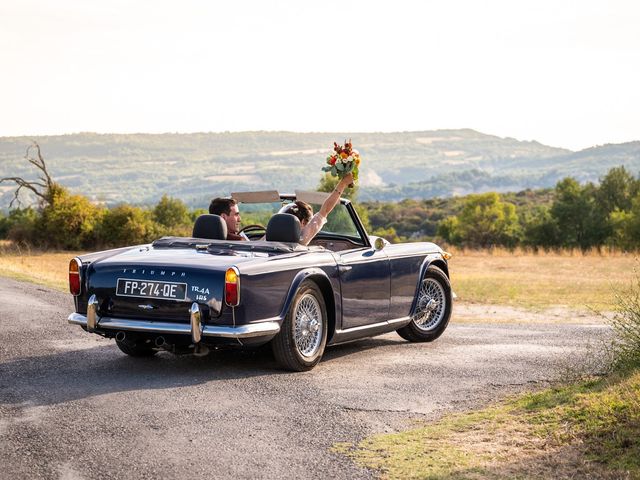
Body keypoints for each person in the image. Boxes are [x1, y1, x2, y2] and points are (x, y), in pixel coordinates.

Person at [280, 173, 353, 246]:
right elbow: (326, 208)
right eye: (309, 222)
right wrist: (343, 183)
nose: (310, 223)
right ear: (302, 223)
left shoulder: (270, 237)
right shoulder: (302, 238)